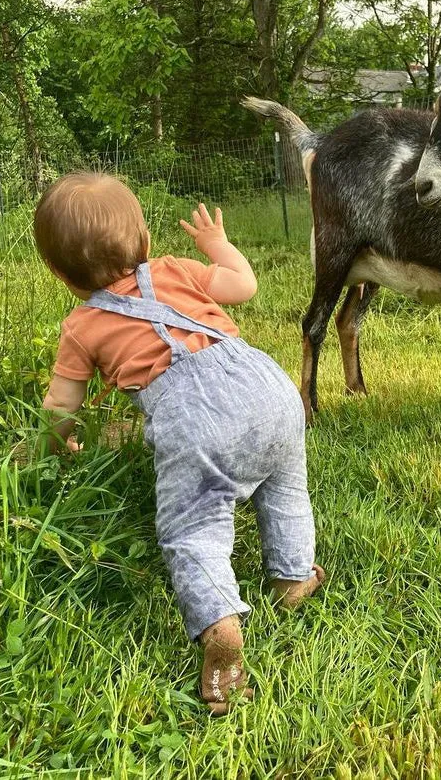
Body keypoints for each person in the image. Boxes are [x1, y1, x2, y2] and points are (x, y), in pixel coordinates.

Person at [34, 172, 324, 715]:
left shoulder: (82, 325)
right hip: (268, 387)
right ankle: (292, 578)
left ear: (57, 271)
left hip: (196, 421)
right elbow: (244, 286)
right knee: (286, 486)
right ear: (144, 242)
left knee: (193, 527)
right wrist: (216, 246)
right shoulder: (174, 269)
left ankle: (220, 623)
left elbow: (59, 408)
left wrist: (55, 449)